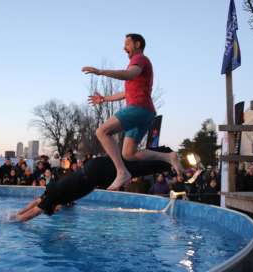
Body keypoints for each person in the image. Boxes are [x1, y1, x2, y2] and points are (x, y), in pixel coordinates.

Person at [82, 33, 183, 191]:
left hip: (138, 109)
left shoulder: (140, 60)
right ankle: (168, 157)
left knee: (102, 132)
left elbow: (129, 74)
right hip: (146, 113)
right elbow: (125, 93)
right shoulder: (139, 68)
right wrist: (104, 99)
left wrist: (101, 72)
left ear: (137, 44)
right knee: (129, 153)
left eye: (127, 44)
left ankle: (121, 172)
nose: (124, 48)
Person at [12, 147, 173, 222]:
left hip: (96, 174)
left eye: (56, 210)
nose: (59, 210)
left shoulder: (53, 198)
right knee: (129, 160)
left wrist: (14, 220)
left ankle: (168, 161)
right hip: (93, 167)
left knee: (133, 168)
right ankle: (163, 152)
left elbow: (32, 213)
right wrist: (17, 213)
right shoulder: (52, 190)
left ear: (52, 207)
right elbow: (35, 202)